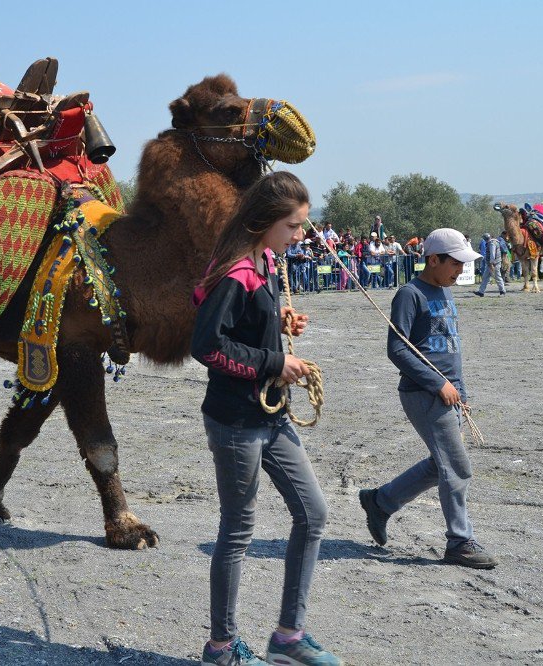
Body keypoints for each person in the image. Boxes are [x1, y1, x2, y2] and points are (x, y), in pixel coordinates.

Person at [191, 171, 339, 666]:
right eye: (293, 225)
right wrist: (278, 362)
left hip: (271, 416)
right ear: (263, 222)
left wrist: (277, 324)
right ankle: (222, 648)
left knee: (313, 513)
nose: (301, 235)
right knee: (237, 530)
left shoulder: (268, 261)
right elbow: (207, 345)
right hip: (235, 421)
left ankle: (288, 637)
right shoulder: (235, 272)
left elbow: (245, 327)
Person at [359, 228, 498, 570]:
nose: (460, 271)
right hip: (423, 394)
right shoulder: (410, 294)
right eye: (455, 264)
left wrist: (460, 392)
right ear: (433, 259)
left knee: (442, 464)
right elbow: (397, 350)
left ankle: (381, 502)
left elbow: (451, 351)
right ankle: (460, 542)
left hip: (449, 394)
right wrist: (438, 385)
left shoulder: (445, 292)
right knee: (457, 467)